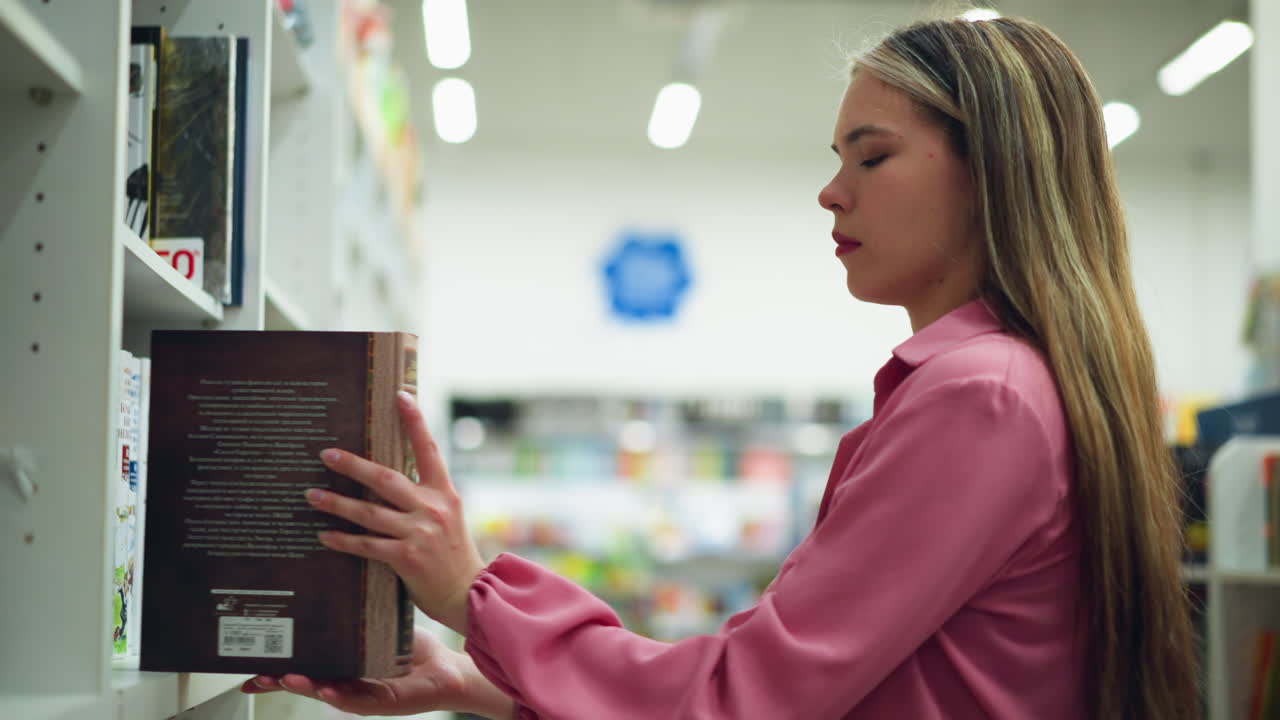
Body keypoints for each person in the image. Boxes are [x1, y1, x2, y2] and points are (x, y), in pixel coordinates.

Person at [243, 12, 1200, 719]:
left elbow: (743, 699)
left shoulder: (980, 395)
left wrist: (471, 592)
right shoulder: (1004, 385)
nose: (831, 193)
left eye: (871, 158)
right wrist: (475, 682)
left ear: (991, 169)